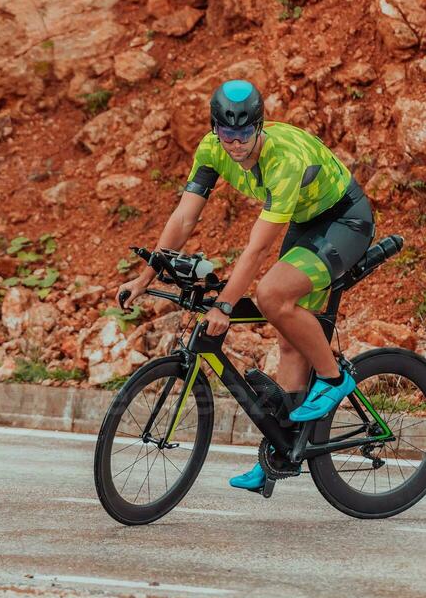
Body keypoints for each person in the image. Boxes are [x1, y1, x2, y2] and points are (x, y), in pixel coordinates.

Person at [116, 80, 376, 492]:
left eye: (244, 134)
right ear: (215, 128)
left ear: (259, 127)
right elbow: (184, 218)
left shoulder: (283, 159)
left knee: (271, 295)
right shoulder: (210, 149)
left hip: (344, 220)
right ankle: (282, 452)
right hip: (307, 223)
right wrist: (146, 276)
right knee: (290, 339)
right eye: (226, 133)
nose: (235, 144)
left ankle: (332, 377)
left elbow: (256, 250)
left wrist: (224, 305)